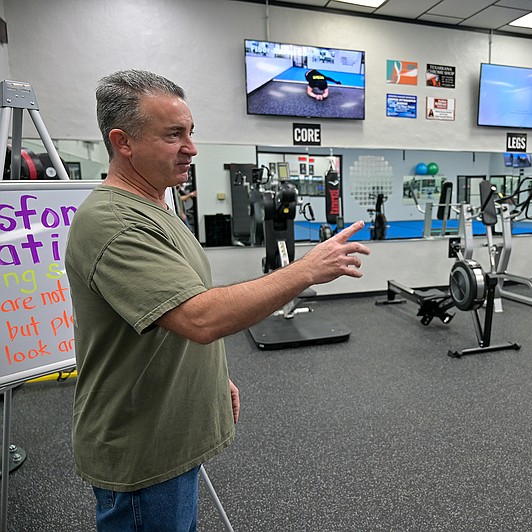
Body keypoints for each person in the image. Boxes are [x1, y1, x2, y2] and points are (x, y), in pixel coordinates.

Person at [65, 69, 370, 531]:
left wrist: (211, 376)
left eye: (190, 133)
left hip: (173, 425)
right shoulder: (114, 222)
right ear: (122, 142)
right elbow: (199, 317)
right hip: (142, 449)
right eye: (173, 135)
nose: (191, 148)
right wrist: (306, 269)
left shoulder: (159, 205)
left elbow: (178, 305)